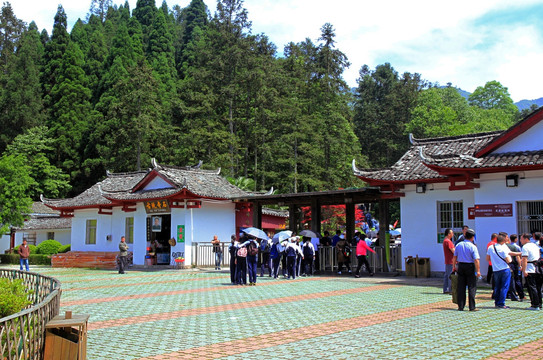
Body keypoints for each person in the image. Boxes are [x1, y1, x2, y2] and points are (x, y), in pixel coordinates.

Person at [452, 229, 480, 311]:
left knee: (461, 286)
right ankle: (472, 306)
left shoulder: (459, 245)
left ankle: (460, 306)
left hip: (460, 265)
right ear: (472, 237)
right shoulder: (473, 246)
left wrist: (454, 266)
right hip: (470, 266)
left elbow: (454, 257)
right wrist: (478, 270)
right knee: (471, 286)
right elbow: (476, 260)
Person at [486, 234, 513, 309]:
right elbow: (508, 260)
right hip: (504, 269)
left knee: (497, 286)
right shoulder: (503, 248)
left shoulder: (491, 247)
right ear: (503, 241)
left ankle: (496, 302)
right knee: (504, 286)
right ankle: (501, 303)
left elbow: (487, 258)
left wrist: (495, 261)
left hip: (495, 270)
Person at [520, 233, 542, 310]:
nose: (520, 240)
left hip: (530, 269)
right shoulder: (535, 246)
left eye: (521, 239)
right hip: (538, 268)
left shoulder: (525, 247)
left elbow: (524, 259)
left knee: (532, 287)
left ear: (526, 239)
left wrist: (524, 270)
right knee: (538, 287)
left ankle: (535, 304)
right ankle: (539, 303)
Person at [508, 234, 525, 301]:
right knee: (517, 280)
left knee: (510, 280)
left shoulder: (506, 246)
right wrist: (520, 265)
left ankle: (510, 294)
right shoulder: (516, 247)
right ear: (515, 239)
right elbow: (519, 257)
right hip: (515, 265)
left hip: (508, 264)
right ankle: (521, 294)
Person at [442, 229, 455, 294]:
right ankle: (450, 289)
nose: (453, 234)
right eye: (452, 233)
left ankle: (446, 288)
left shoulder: (445, 241)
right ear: (448, 234)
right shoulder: (448, 242)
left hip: (448, 260)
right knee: (450, 275)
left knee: (447, 275)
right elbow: (453, 251)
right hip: (451, 261)